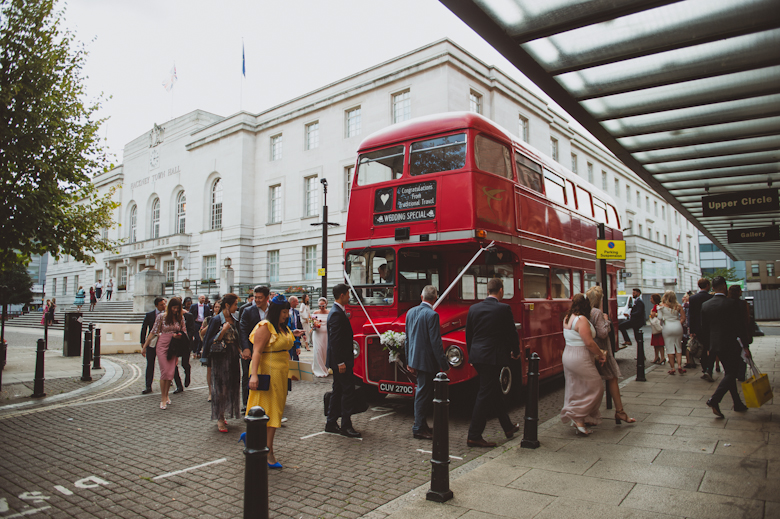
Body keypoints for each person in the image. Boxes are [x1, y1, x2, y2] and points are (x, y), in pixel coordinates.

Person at [465, 278, 521, 447]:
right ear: (501, 290)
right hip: (493, 357)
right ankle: (474, 435)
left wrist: (471, 355)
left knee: (494, 390)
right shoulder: (503, 309)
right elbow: (511, 333)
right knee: (484, 393)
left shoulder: (474, 308)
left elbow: (469, 334)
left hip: (477, 356)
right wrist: (516, 352)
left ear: (487, 291)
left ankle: (508, 427)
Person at [247, 294, 294, 468]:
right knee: (269, 412)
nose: (286, 315)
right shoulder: (265, 326)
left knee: (276, 410)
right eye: (283, 311)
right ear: (275, 311)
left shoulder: (282, 327)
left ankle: (254, 438)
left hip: (280, 375)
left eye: (287, 311)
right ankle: (268, 451)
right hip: (267, 373)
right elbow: (256, 352)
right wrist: (254, 375)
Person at [405, 285, 449, 440]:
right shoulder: (432, 315)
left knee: (422, 392)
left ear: (421, 297)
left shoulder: (410, 312)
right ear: (435, 298)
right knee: (423, 394)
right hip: (427, 361)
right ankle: (418, 427)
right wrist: (444, 364)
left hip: (415, 359)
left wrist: (409, 360)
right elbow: (435, 342)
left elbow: (407, 339)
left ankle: (422, 424)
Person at [586, 286, 635, 425]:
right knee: (612, 378)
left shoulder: (585, 312)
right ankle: (619, 411)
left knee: (591, 382)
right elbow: (602, 333)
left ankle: (589, 413)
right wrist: (606, 321)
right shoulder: (597, 312)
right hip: (602, 351)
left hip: (592, 351)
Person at [702, 276, 749, 417]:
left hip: (715, 344)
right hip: (730, 344)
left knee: (729, 371)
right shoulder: (732, 303)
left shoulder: (706, 305)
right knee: (732, 373)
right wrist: (745, 346)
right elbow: (739, 326)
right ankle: (714, 399)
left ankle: (737, 403)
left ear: (712, 287)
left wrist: (709, 347)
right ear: (724, 286)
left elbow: (704, 329)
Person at [561, 293, 606, 436]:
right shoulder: (581, 320)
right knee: (596, 386)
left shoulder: (567, 318)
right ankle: (578, 416)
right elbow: (589, 343)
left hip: (568, 354)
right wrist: (601, 354)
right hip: (580, 356)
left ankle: (582, 417)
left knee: (576, 386)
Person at [325, 284, 361, 438]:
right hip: (341, 361)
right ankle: (346, 425)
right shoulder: (336, 314)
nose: (349, 296)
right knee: (347, 391)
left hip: (340, 360)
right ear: (341, 295)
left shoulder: (338, 312)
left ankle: (331, 422)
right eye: (348, 294)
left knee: (338, 390)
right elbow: (335, 340)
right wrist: (340, 362)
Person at [203, 293, 241, 433]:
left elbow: (237, 338)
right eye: (235, 304)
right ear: (227, 305)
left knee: (231, 386)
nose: (237, 307)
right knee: (221, 388)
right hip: (220, 355)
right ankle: (219, 418)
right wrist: (222, 331)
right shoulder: (215, 320)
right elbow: (209, 340)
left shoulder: (235, 318)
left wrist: (240, 350)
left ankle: (223, 413)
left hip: (233, 355)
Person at [142, 297, 188, 410]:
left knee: (170, 373)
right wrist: (145, 346)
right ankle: (163, 398)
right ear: (170, 307)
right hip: (162, 345)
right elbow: (153, 331)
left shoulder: (180, 317)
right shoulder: (161, 317)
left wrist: (180, 336)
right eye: (174, 307)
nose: (175, 310)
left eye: (178, 308)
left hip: (174, 345)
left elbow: (184, 332)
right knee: (164, 372)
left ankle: (167, 395)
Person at [240, 286, 270, 412]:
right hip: (251, 349)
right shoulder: (247, 311)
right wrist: (245, 348)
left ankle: (265, 403)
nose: (257, 300)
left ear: (267, 298)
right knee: (248, 374)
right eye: (255, 297)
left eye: (260, 298)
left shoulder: (273, 310)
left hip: (268, 349)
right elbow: (242, 330)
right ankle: (247, 404)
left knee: (266, 374)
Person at [689, 278, 714, 381]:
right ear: (707, 285)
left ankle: (705, 369)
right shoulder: (711, 297)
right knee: (711, 349)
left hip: (699, 328)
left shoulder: (693, 298)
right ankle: (710, 369)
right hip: (711, 328)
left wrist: (692, 330)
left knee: (703, 349)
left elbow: (692, 315)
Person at [140, 297, 166, 395]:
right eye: (161, 305)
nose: (163, 306)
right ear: (156, 305)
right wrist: (142, 342)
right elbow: (144, 329)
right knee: (150, 363)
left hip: (164, 342)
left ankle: (169, 381)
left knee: (165, 363)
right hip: (152, 342)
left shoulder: (167, 314)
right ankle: (148, 385)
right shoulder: (149, 315)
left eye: (164, 304)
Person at [658, 291, 686, 375]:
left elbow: (659, 317)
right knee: (678, 346)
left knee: (669, 347)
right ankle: (680, 366)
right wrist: (678, 323)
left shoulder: (661, 306)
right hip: (677, 326)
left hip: (667, 326)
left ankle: (673, 368)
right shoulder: (678, 306)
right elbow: (683, 318)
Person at [200, 300, 222, 402]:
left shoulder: (224, 319)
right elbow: (202, 333)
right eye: (215, 307)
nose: (217, 309)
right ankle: (210, 391)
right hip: (210, 348)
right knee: (209, 369)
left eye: (219, 307)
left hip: (221, 348)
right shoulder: (209, 319)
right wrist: (211, 325)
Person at [311, 297, 330, 377]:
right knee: (318, 351)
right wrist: (314, 324)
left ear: (326, 305)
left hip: (326, 335)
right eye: (319, 306)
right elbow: (311, 324)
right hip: (317, 334)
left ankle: (325, 368)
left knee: (325, 351)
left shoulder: (329, 312)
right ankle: (318, 369)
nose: (321, 308)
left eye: (323, 306)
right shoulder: (315, 312)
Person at [649, 294, 665, 365]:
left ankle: (659, 357)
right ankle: (660, 357)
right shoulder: (660, 306)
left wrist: (652, 313)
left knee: (657, 343)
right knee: (659, 343)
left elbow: (653, 315)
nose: (650, 300)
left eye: (651, 298)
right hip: (659, 326)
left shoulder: (656, 306)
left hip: (657, 327)